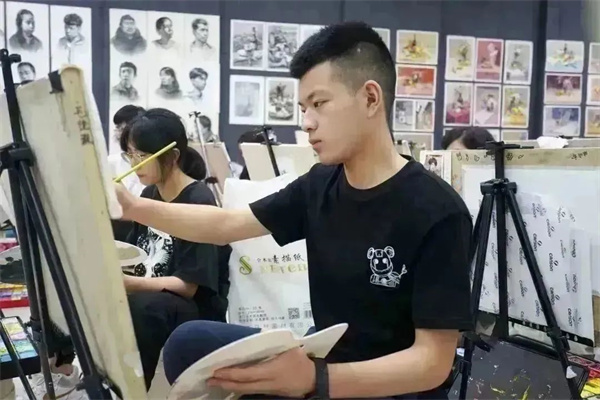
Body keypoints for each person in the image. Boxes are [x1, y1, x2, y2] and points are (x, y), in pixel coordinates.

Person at [114, 22, 472, 399]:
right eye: (303, 108)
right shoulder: (321, 183)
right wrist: (133, 206)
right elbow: (225, 224)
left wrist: (316, 379)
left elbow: (432, 362)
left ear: (370, 98)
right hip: (324, 362)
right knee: (189, 342)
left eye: (319, 104)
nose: (306, 123)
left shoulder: (436, 210)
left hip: (386, 388)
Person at [30, 108, 230, 398]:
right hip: (154, 291)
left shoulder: (198, 200)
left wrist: (128, 284)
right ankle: (63, 370)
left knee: (142, 307)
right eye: (130, 154)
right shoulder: (149, 195)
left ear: (172, 156)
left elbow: (188, 286)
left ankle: (126, 391)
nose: (135, 164)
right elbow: (137, 257)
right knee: (64, 284)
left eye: (142, 155)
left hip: (192, 306)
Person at [108, 105, 146, 241]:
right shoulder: (110, 161)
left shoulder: (151, 161)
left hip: (144, 223)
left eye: (122, 128)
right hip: (117, 225)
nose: (119, 133)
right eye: (117, 128)